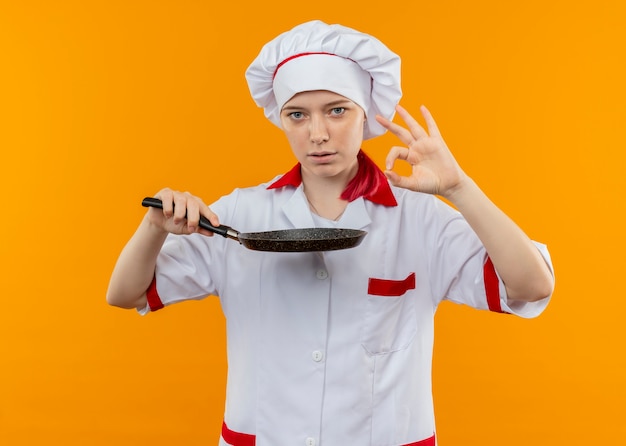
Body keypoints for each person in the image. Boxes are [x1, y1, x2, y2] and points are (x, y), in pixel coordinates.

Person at [106, 20, 555, 446]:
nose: (317, 134)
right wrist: (153, 228)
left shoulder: (418, 219)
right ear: (281, 119)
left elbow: (532, 287)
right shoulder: (239, 214)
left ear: (366, 116)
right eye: (297, 115)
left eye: (337, 111)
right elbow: (126, 294)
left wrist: (459, 188)